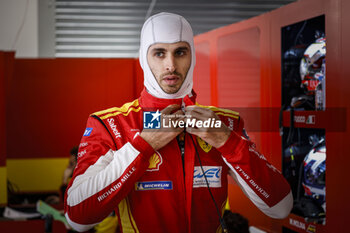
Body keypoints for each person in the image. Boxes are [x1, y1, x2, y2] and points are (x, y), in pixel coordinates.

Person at [64, 12, 293, 233]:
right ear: (145, 57)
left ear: (192, 56)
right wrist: (144, 145)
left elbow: (281, 206)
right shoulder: (111, 124)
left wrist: (227, 141)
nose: (171, 65)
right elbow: (77, 218)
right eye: (159, 53)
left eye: (180, 52)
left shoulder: (224, 122)